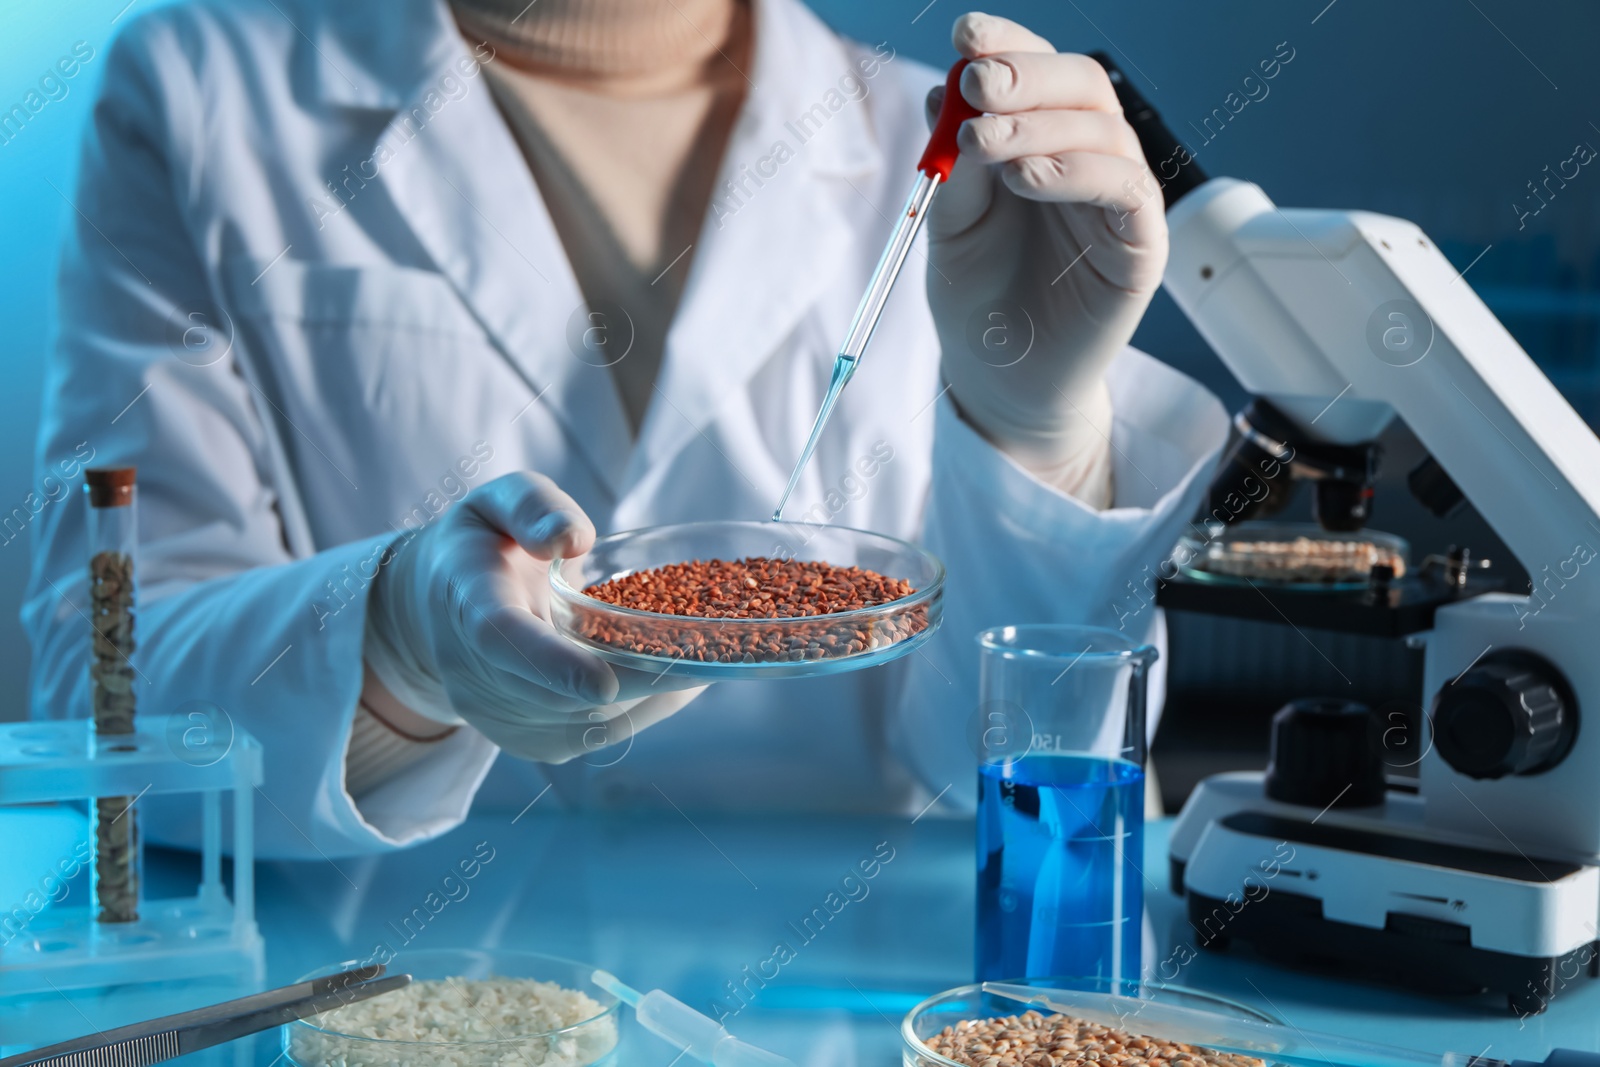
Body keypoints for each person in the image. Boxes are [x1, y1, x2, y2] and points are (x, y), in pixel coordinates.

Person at [25, 0, 1226, 855]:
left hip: (844, 1008)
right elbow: (108, 705)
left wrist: (1034, 426)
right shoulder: (200, 91)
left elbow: (1036, 775)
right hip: (392, 1001)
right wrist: (395, 646)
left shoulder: (928, 158)